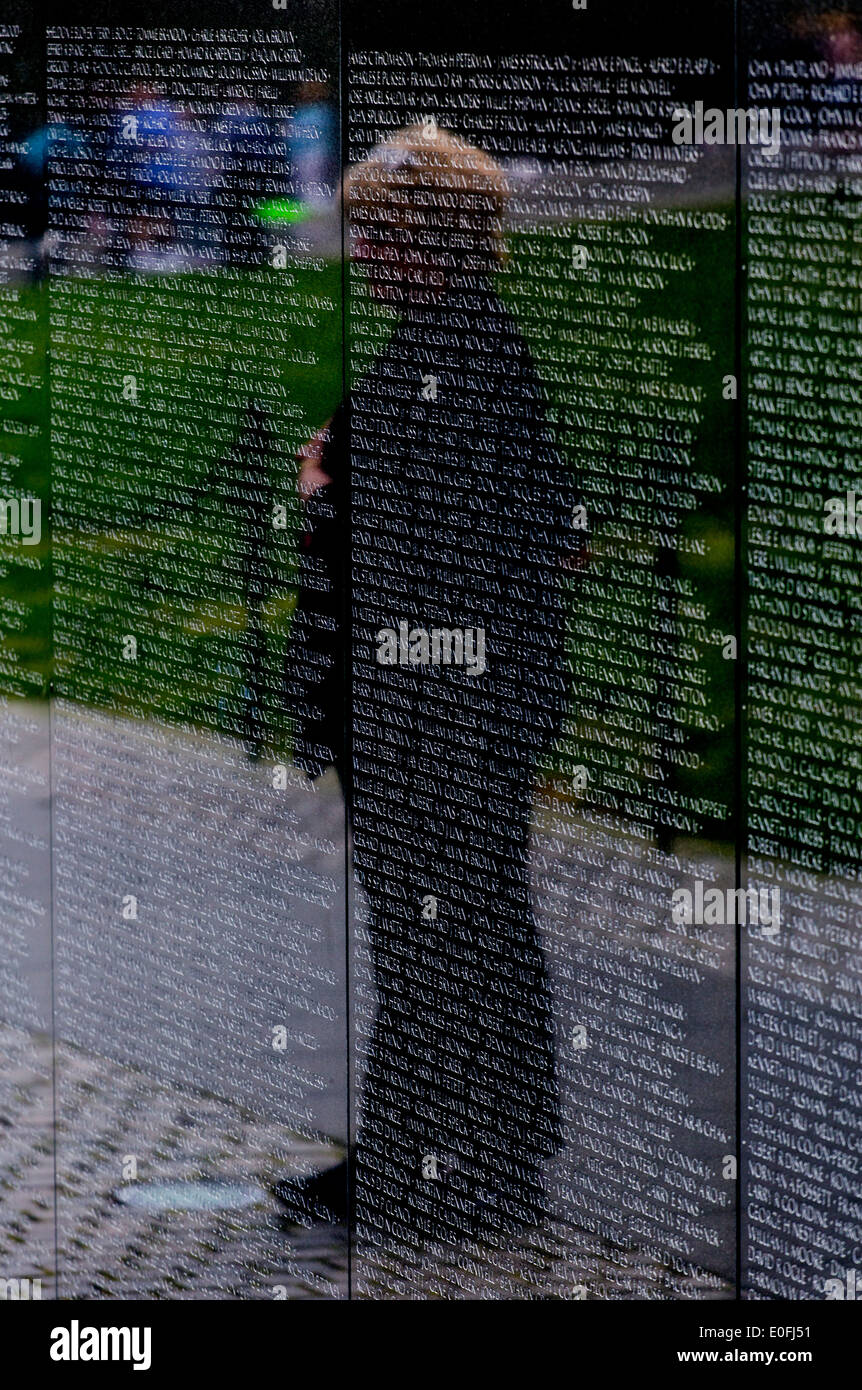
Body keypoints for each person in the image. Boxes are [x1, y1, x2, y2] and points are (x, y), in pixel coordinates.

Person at [278, 124, 580, 1244]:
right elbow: (551, 529)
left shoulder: (451, 358)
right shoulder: (461, 348)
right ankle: (482, 1154)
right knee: (469, 924)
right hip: (455, 697)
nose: (360, 254)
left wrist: (323, 488)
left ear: (432, 240)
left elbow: (454, 538)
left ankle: (425, 1169)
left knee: (436, 929)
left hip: (436, 706)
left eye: (379, 233)